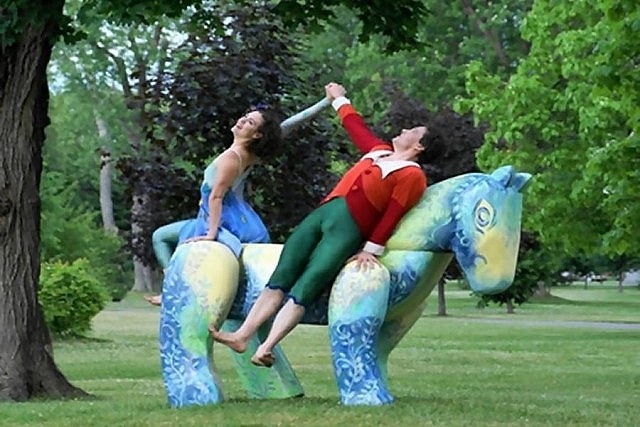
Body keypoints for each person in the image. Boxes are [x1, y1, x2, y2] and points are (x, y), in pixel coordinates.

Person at [210, 82, 429, 367]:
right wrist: (338, 99)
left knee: (308, 283)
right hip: (324, 214)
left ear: (419, 145)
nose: (402, 132)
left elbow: (394, 213)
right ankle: (242, 335)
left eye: (411, 132)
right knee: (283, 272)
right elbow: (355, 125)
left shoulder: (413, 175)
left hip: (349, 228)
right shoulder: (377, 151)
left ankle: (267, 346)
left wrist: (371, 249)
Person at [145, 106, 282, 306]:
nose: (242, 121)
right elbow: (284, 127)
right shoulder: (250, 155)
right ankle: (170, 286)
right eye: (245, 117)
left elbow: (216, 197)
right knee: (161, 236)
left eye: (250, 122)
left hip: (218, 217)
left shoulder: (232, 158)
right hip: (237, 215)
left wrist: (211, 232)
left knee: (161, 237)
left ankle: (172, 288)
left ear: (257, 135)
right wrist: (325, 102)